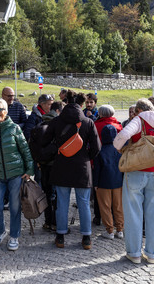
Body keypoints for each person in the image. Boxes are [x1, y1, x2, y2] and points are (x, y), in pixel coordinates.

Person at [43, 90, 101, 250]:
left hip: (62, 164)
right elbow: (97, 147)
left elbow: (46, 141)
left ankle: (60, 236)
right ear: (82, 104)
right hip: (82, 166)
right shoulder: (88, 122)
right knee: (83, 202)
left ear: (66, 103)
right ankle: (86, 237)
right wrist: (85, 156)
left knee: (62, 202)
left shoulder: (56, 121)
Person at [0, 98, 34, 251]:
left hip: (16, 174)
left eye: (0, 109)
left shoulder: (14, 128)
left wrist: (29, 170)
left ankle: (14, 235)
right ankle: (1, 230)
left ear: (6, 111)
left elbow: (25, 149)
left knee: (15, 207)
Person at [113, 98, 154, 264]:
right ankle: (152, 254)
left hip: (136, 169)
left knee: (133, 213)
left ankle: (134, 253)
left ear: (138, 110)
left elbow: (122, 135)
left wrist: (120, 149)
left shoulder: (139, 120)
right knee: (153, 214)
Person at [29, 101, 65, 231]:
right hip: (56, 165)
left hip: (42, 164)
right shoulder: (59, 126)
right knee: (56, 195)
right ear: (58, 112)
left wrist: (37, 160)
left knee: (46, 193)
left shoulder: (40, 124)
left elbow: (32, 146)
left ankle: (47, 222)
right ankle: (56, 223)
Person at [93, 124, 124, 240]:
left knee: (105, 207)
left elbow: (97, 170)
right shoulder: (119, 151)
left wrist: (95, 184)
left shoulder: (99, 152)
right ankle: (120, 229)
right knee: (118, 206)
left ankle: (110, 231)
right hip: (118, 182)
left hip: (103, 183)